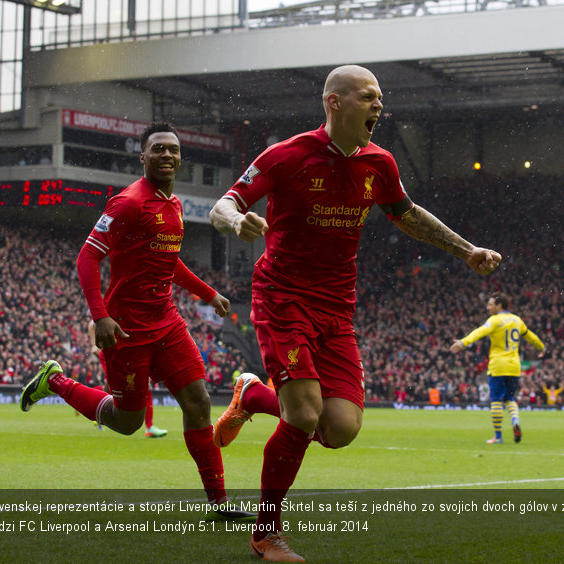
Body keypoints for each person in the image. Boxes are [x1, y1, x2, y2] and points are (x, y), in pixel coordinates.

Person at [209, 65, 502, 562]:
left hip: (337, 307)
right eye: (369, 97)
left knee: (339, 429)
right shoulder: (286, 156)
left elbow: (405, 213)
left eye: (381, 98)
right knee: (303, 413)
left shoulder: (379, 162)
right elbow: (224, 203)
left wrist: (466, 249)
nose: (379, 106)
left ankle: (252, 394)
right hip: (283, 297)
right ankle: (266, 534)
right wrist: (237, 221)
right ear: (334, 102)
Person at [20, 122, 249, 518]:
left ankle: (219, 505)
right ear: (142, 157)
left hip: (168, 322)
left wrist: (208, 293)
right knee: (127, 422)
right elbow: (87, 258)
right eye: (157, 149)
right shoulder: (127, 203)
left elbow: (168, 261)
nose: (166, 155)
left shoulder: (173, 205)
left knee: (198, 402)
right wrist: (101, 317)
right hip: (126, 328)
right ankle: (54, 380)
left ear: (180, 158)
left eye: (173, 150)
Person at [450, 292, 544, 445]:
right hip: (514, 366)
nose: (488, 307)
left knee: (495, 400)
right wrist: (542, 347)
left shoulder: (495, 320)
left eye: (490, 304)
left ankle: (498, 436)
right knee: (510, 398)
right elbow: (530, 336)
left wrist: (463, 342)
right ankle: (515, 421)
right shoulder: (517, 320)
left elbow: (479, 332)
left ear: (499, 305)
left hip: (498, 365)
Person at [88, 319, 167, 437]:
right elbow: (93, 335)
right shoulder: (100, 317)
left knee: (142, 385)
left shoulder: (120, 310)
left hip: (126, 351)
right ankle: (87, 400)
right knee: (112, 385)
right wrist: (97, 347)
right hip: (110, 353)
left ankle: (149, 427)